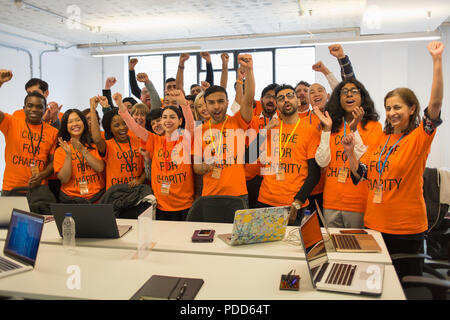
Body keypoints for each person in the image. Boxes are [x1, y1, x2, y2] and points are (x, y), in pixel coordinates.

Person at [342, 41, 445, 279]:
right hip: (374, 225)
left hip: (405, 229)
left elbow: (436, 105)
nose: (392, 113)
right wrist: (349, 152)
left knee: (405, 286)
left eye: (397, 107)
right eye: (388, 108)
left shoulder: (419, 138)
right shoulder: (383, 139)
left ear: (411, 109)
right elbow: (363, 173)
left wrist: (437, 60)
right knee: (374, 283)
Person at [115, 93, 194, 221]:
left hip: (184, 205)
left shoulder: (184, 139)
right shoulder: (154, 140)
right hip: (161, 205)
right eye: (164, 117)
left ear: (180, 121)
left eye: (172, 117)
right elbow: (134, 128)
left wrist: (184, 104)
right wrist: (121, 106)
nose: (168, 120)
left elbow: (190, 125)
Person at [314, 78, 381, 229]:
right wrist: (326, 130)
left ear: (362, 97)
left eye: (354, 92)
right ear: (338, 99)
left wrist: (355, 129)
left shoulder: (374, 127)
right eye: (344, 92)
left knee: (356, 249)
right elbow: (322, 162)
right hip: (331, 200)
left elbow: (365, 163)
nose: (349, 95)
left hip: (358, 201)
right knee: (334, 248)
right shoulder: (331, 124)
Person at [193, 54, 255, 205]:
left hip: (237, 195)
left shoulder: (238, 121)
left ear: (227, 102)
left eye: (220, 101)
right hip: (210, 195)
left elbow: (248, 99)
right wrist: (205, 167)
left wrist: (249, 70)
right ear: (205, 105)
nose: (216, 106)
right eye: (211, 102)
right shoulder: (199, 131)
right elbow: (196, 167)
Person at [257, 84, 321, 225]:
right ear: (277, 105)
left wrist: (298, 202)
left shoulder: (310, 131)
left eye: (290, 96)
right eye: (280, 98)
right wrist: (265, 130)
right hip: (265, 200)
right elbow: (248, 155)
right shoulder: (271, 128)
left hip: (293, 204)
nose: (286, 100)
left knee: (290, 246)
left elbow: (314, 174)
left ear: (298, 101)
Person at [0, 71, 58, 209]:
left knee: (41, 228)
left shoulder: (53, 132)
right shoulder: (11, 123)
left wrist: (42, 174)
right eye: (30, 105)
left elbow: (52, 161)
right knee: (7, 228)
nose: (34, 109)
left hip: (39, 192)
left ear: (45, 109)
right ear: (24, 108)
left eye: (39, 106)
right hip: (11, 189)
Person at [53, 109, 105, 203]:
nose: (75, 124)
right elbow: (64, 179)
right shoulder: (61, 149)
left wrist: (82, 149)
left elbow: (100, 168)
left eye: (78, 120)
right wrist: (68, 155)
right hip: (71, 200)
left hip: (98, 198)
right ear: (65, 126)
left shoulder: (93, 145)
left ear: (84, 123)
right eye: (70, 122)